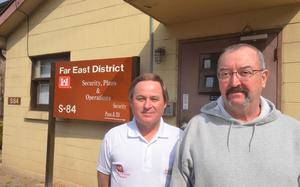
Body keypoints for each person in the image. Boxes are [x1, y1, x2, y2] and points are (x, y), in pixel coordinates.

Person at [170, 43, 300, 187]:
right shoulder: (197, 129)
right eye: (225, 74)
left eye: (245, 72)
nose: (234, 82)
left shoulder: (293, 132)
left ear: (263, 78)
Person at [97, 73, 182, 187]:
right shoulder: (113, 136)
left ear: (165, 103)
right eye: (140, 99)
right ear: (131, 102)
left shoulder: (180, 138)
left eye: (154, 99)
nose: (147, 105)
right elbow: (103, 177)